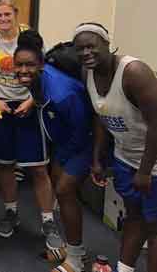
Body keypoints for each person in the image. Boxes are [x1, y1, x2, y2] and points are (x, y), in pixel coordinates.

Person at [0, 0, 60, 249]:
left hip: (29, 105)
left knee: (37, 167)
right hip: (2, 107)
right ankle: (11, 213)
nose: (3, 19)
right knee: (4, 164)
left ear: (16, 14)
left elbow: (43, 72)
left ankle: (48, 220)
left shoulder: (31, 39)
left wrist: (32, 100)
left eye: (7, 14)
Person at [76, 22, 157, 272]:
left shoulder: (135, 73)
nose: (86, 53)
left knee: (155, 228)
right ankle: (125, 268)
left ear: (107, 44)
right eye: (80, 49)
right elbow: (101, 116)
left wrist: (145, 171)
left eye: (92, 46)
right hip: (125, 157)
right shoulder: (87, 72)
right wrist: (98, 158)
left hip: (152, 162)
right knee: (134, 216)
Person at [12, 30, 94, 272]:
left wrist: (66, 157)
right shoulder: (39, 81)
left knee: (64, 190)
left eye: (29, 65)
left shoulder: (62, 93)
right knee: (60, 185)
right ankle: (72, 247)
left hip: (84, 141)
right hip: (65, 140)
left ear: (41, 64)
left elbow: (83, 130)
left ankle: (76, 259)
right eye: (19, 65)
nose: (23, 70)